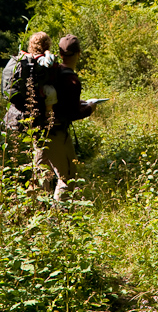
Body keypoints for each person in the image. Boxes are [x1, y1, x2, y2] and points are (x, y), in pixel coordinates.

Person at [35, 34, 96, 202]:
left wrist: (78, 103)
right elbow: (71, 114)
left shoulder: (52, 72)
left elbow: (59, 102)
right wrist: (89, 109)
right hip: (57, 134)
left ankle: (37, 215)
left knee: (42, 177)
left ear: (60, 54)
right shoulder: (72, 80)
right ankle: (58, 219)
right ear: (79, 53)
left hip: (39, 131)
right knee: (67, 178)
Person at [3, 31, 58, 132]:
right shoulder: (41, 60)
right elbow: (49, 63)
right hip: (35, 111)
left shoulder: (22, 59)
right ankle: (48, 115)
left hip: (14, 112)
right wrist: (47, 53)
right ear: (46, 45)